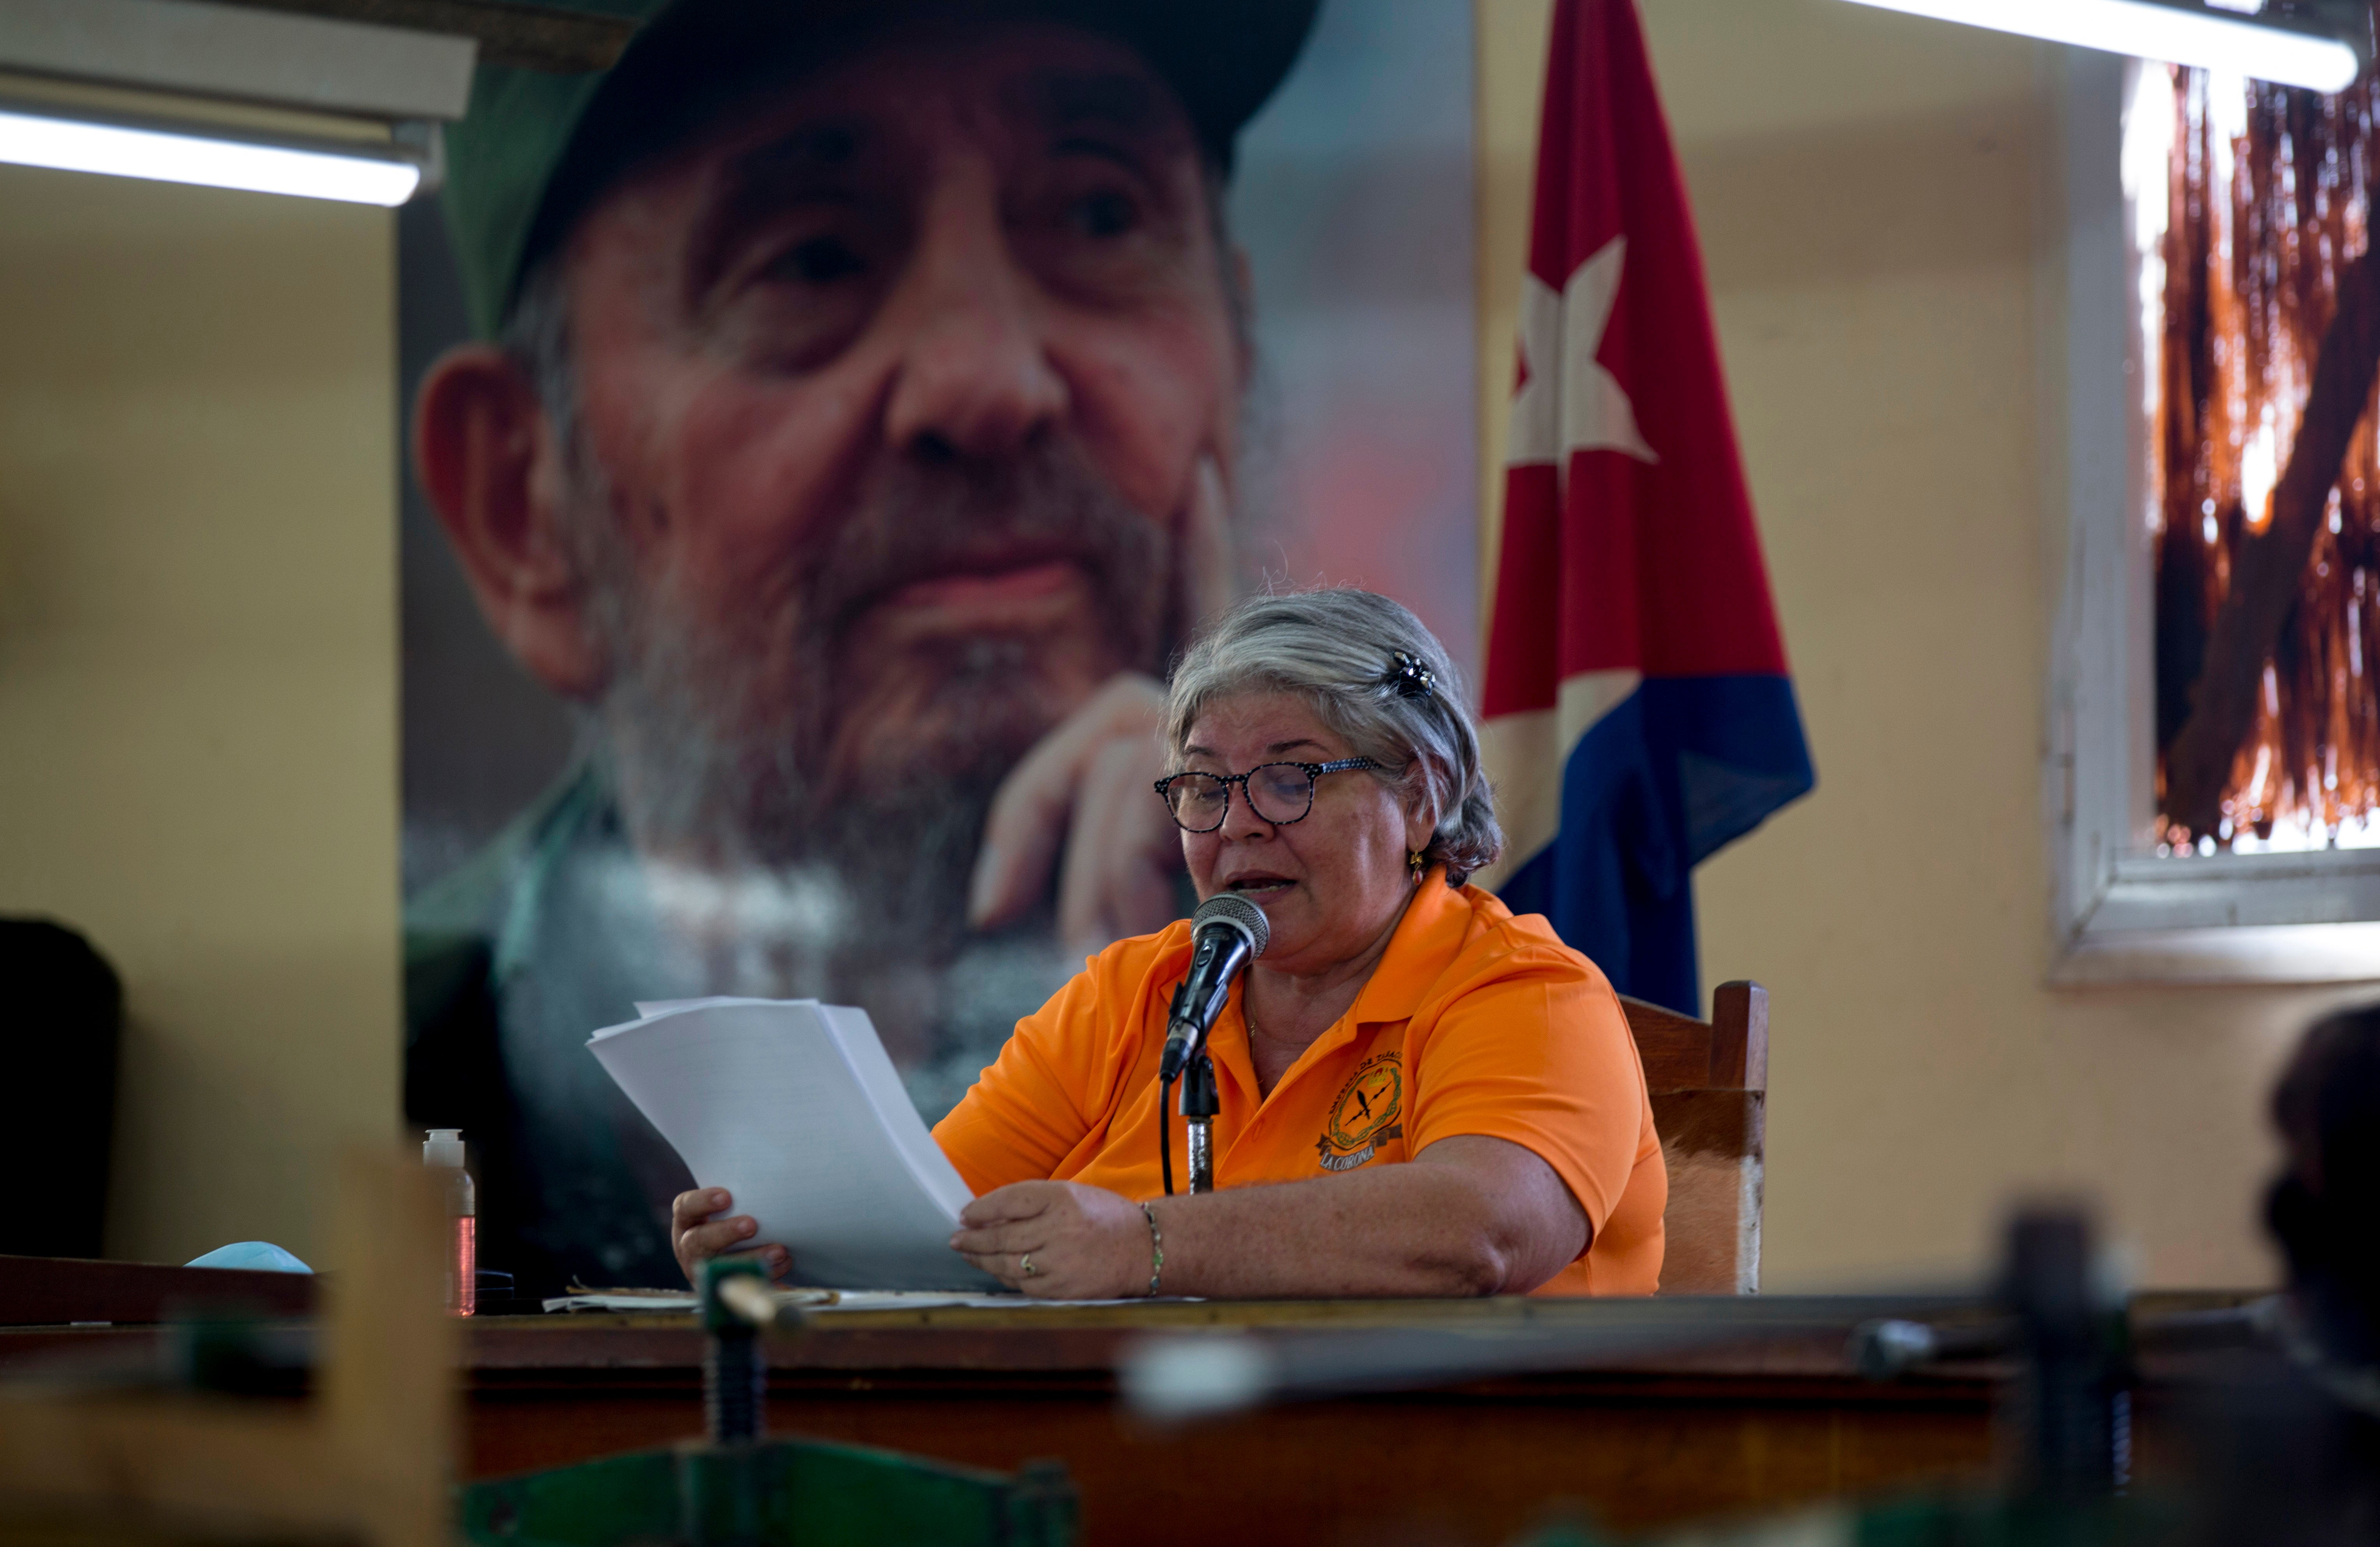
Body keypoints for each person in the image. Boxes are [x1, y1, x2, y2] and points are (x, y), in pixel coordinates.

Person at [403, 0, 1320, 1291]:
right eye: (814, 257)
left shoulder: (1397, 1016)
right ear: (524, 507)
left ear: (1232, 355)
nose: (990, 380)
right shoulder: (383, 1083)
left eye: (1101, 215)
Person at [675, 591, 1668, 1296]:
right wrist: (788, 1245)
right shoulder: (1132, 995)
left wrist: (1145, 1244)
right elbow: (940, 1230)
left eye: (1292, 777)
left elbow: (1483, 1232)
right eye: (1203, 785)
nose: (1237, 823)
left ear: (1419, 795)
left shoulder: (1525, 992)